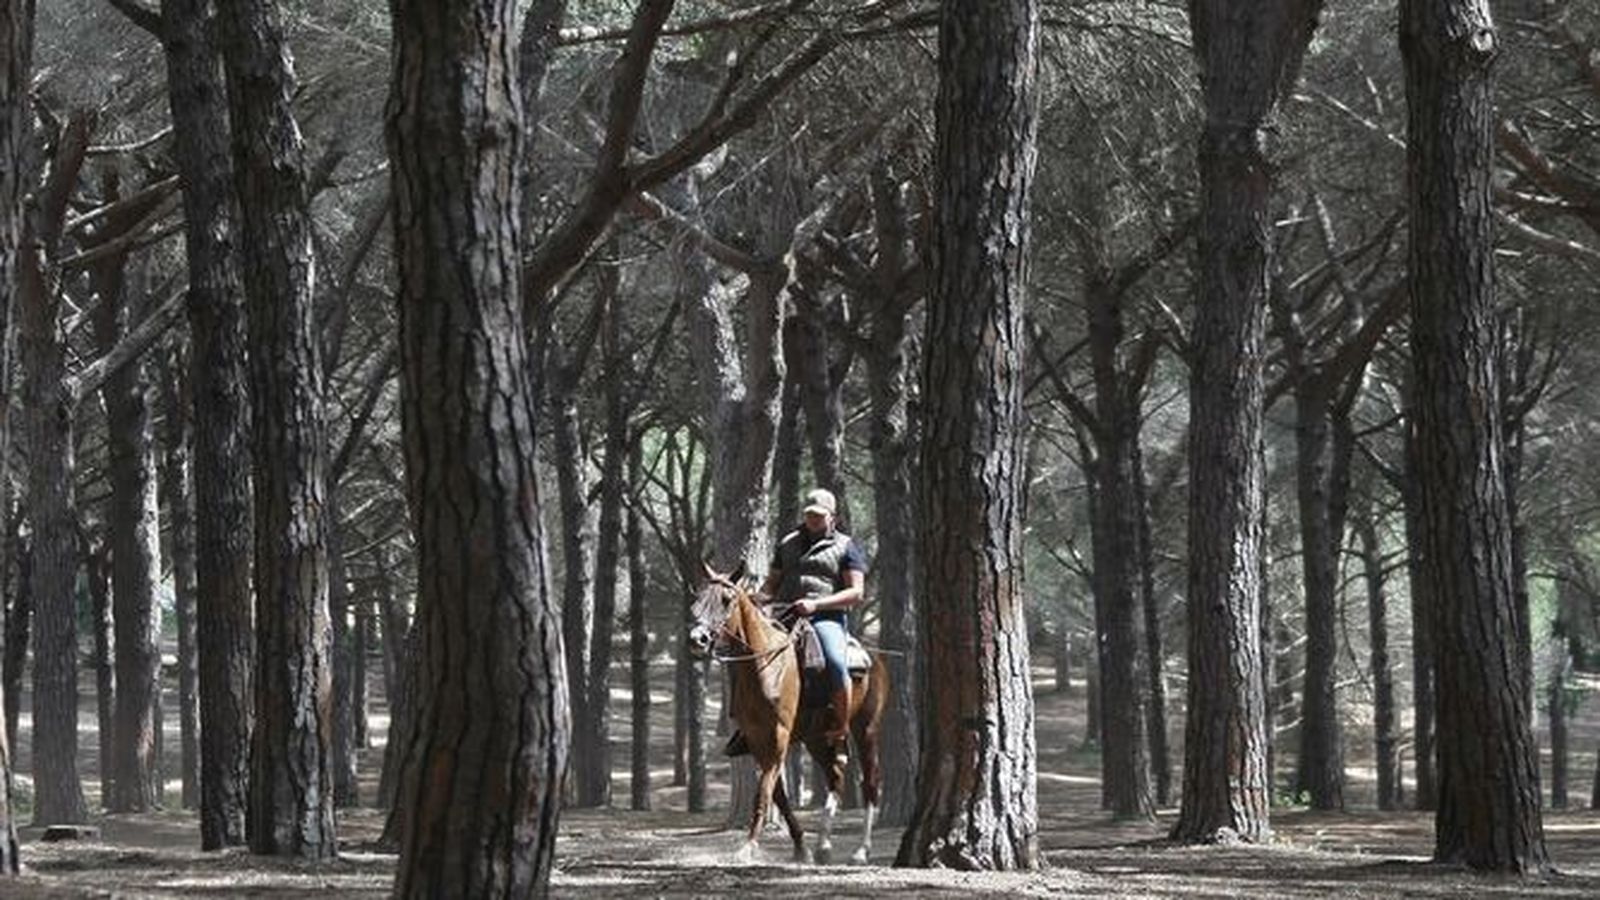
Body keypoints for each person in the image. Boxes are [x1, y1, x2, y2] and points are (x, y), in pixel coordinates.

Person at [726, 488, 866, 757]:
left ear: (832, 517)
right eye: (809, 515)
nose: (812, 520)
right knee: (745, 652)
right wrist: (760, 599)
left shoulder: (847, 547)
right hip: (784, 614)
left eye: (819, 516)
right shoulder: (788, 543)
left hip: (825, 616)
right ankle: (745, 724)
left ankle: (840, 727)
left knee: (835, 662)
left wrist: (816, 604)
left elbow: (856, 593)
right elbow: (772, 583)